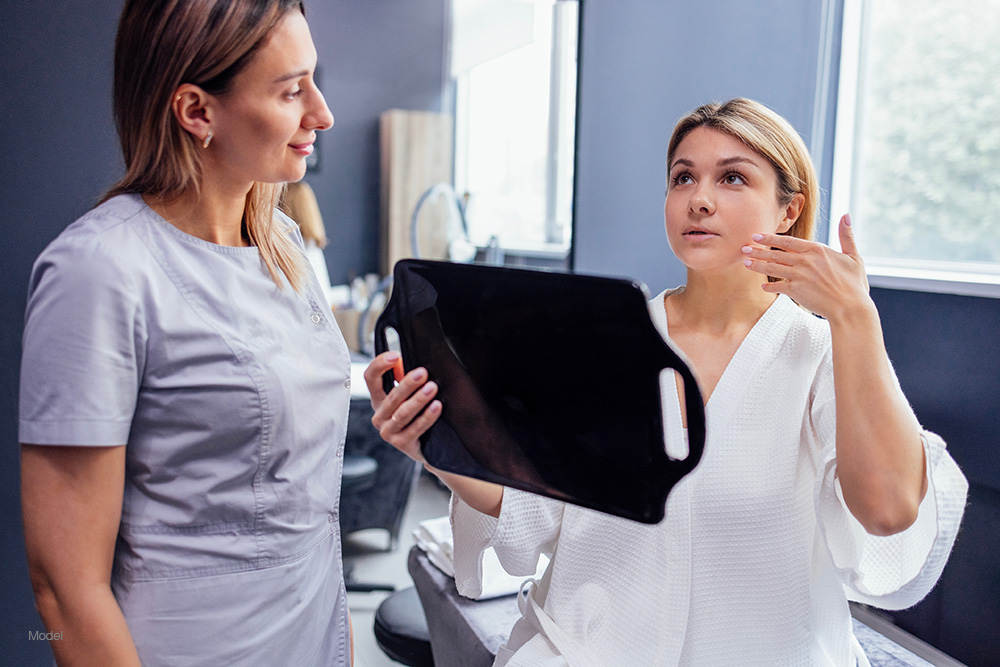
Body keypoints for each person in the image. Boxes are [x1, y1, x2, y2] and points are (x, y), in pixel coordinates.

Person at [364, 98, 968, 666]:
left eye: (733, 178)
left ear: (788, 210)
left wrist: (856, 317)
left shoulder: (819, 353)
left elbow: (888, 511)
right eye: (683, 177)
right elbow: (532, 510)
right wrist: (437, 448)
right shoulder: (603, 345)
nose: (699, 199)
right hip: (588, 649)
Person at [19, 1, 353, 665]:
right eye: (292, 91)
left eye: (313, 81)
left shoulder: (283, 243)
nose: (322, 114)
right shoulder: (98, 271)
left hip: (313, 631)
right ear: (197, 111)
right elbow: (64, 589)